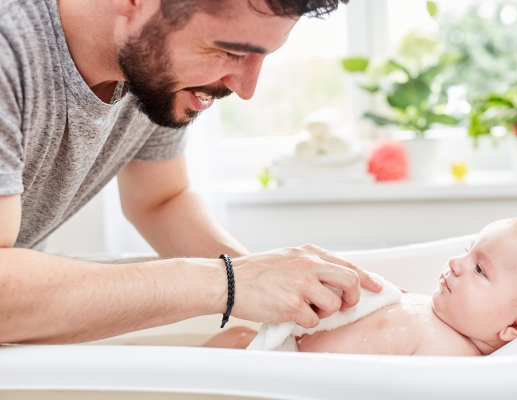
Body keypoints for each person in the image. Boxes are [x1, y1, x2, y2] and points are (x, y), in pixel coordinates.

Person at [0, 0, 384, 345]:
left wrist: (279, 291)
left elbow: (160, 201)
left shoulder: (150, 70)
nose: (246, 88)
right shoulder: (9, 43)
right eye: (231, 52)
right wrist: (229, 283)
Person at [204, 217, 517, 355]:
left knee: (226, 352)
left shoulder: (452, 360)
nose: (456, 264)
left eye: (480, 270)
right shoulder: (445, 315)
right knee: (234, 336)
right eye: (467, 251)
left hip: (286, 381)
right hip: (280, 352)